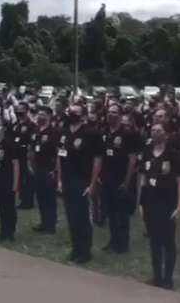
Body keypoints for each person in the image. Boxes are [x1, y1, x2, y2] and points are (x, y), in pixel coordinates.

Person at [139, 123, 180, 289]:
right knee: (154, 242)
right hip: (150, 203)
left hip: (167, 204)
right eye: (152, 130)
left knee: (168, 242)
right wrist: (141, 203)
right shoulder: (146, 152)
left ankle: (168, 278)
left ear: (166, 134)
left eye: (159, 130)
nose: (155, 133)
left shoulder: (173, 154)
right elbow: (144, 179)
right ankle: (157, 276)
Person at [57, 104, 104, 264]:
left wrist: (92, 184)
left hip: (83, 181)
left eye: (75, 112)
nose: (71, 114)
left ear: (83, 115)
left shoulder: (91, 133)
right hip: (68, 180)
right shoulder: (63, 131)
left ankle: (85, 251)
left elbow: (97, 160)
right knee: (71, 217)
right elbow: (60, 156)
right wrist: (60, 179)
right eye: (69, 111)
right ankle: (75, 248)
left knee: (83, 218)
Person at [101, 104, 138, 254]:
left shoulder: (127, 134)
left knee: (121, 213)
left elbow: (132, 160)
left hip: (121, 178)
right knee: (110, 212)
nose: (111, 115)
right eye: (109, 112)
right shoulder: (104, 132)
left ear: (120, 115)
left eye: (114, 112)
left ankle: (122, 244)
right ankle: (113, 240)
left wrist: (127, 181)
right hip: (106, 178)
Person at [0, 117, 20, 242]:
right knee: (1, 208)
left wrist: (15, 184)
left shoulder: (9, 143)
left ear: (4, 128)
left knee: (9, 207)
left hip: (7, 179)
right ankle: (3, 231)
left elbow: (16, 164)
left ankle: (10, 232)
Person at [31, 106, 60, 234]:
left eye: (43, 114)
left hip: (49, 170)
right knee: (40, 197)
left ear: (49, 116)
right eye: (38, 114)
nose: (40, 117)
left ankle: (51, 225)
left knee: (49, 198)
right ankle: (43, 222)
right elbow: (32, 149)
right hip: (37, 168)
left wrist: (56, 170)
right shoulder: (36, 131)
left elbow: (59, 153)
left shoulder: (54, 132)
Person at [13, 103, 36, 209]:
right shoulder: (16, 123)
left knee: (27, 178)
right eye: (17, 110)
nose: (19, 112)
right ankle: (22, 199)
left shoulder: (31, 125)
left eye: (21, 110)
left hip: (25, 154)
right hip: (16, 154)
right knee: (20, 178)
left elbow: (32, 141)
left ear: (26, 111)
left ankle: (28, 201)